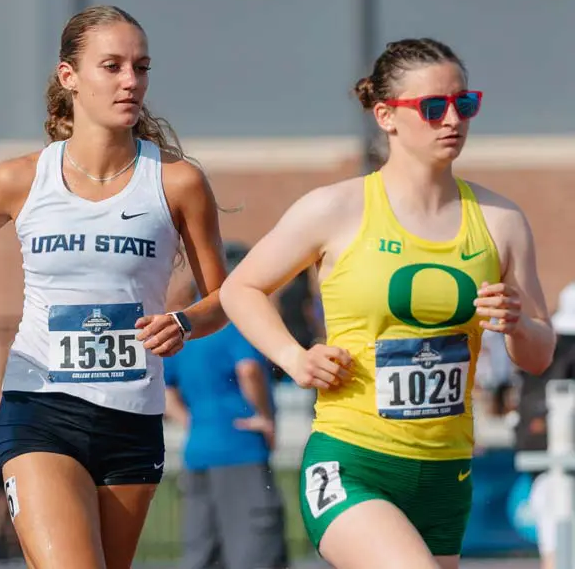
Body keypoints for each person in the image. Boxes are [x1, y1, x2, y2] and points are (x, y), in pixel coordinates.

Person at [218, 38, 555, 569]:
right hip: (352, 460)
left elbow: (537, 355)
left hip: (447, 471)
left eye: (464, 104)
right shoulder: (335, 208)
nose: (452, 119)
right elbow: (241, 288)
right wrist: (294, 357)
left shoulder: (501, 221)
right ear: (386, 116)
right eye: (432, 106)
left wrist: (515, 323)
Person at [0, 5, 228, 569]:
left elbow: (223, 301)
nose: (130, 81)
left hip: (133, 418)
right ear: (69, 77)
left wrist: (184, 323)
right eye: (111, 66)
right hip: (40, 407)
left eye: (140, 67)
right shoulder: (20, 178)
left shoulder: (177, 181)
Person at [164, 241, 288, 569]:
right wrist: (263, 417)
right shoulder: (234, 319)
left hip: (199, 450)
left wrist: (192, 422)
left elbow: (165, 391)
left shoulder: (190, 325)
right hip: (240, 445)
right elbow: (248, 370)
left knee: (204, 554)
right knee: (256, 551)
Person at [516, 282, 575, 569]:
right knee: (557, 545)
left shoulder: (546, 355)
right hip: (554, 465)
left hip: (550, 463)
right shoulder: (555, 360)